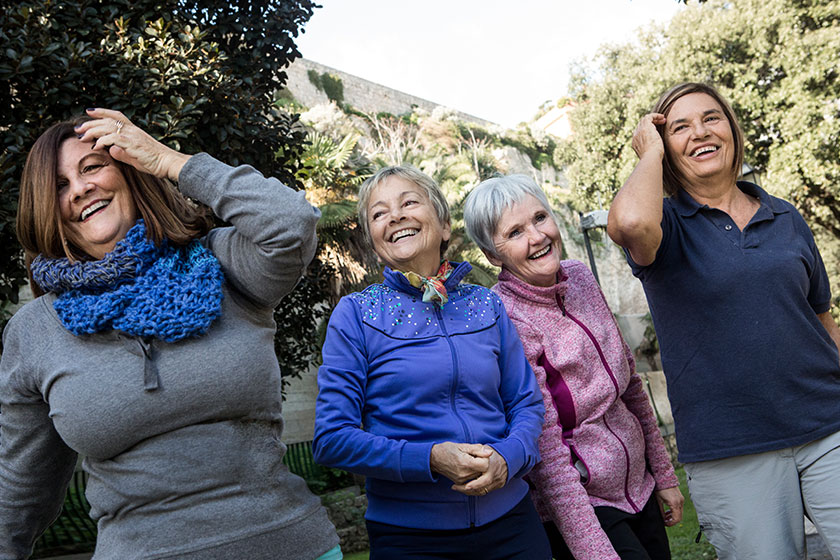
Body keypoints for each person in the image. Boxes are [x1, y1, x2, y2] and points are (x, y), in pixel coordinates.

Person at [0, 109, 341, 560]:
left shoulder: (220, 264)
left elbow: (290, 222)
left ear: (130, 173)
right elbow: (20, 485)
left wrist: (167, 161)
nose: (81, 189)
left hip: (292, 546)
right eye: (60, 185)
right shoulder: (36, 330)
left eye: (92, 167)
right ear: (46, 209)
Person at [607, 82, 840, 559]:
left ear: (732, 129)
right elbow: (629, 224)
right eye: (679, 127)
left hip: (829, 425)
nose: (699, 133)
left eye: (711, 118)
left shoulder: (786, 217)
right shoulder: (664, 226)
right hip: (732, 447)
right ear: (665, 147)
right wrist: (649, 152)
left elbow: (823, 322)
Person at [313, 165, 550, 560]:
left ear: (443, 225)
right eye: (378, 213)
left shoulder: (487, 304)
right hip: (410, 540)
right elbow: (331, 438)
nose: (396, 216)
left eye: (409, 202)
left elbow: (526, 404)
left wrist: (508, 459)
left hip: (513, 522)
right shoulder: (355, 314)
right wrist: (431, 459)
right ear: (374, 243)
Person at [464, 175, 683, 560]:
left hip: (639, 487)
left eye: (540, 218)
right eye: (515, 232)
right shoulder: (505, 317)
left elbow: (630, 385)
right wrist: (592, 549)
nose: (537, 236)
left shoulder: (580, 276)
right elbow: (545, 449)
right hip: (582, 504)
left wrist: (662, 475)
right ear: (492, 255)